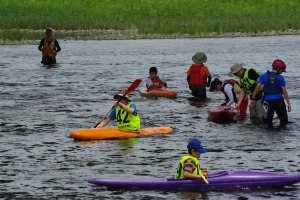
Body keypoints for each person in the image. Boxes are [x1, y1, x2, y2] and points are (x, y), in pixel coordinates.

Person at [250, 59, 291, 127]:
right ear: (278, 68)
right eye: (282, 70)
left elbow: (257, 87)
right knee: (284, 122)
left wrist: (252, 99)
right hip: (279, 101)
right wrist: (288, 103)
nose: (281, 72)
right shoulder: (280, 78)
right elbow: (284, 91)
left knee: (267, 123)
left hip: (267, 102)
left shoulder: (264, 76)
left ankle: (268, 137)